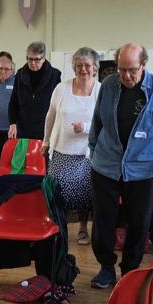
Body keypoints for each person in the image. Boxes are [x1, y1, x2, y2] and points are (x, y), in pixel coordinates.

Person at [88, 44, 153, 289]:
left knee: (139, 222)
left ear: (143, 65)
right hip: (106, 164)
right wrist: (94, 151)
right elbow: (97, 121)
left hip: (143, 166)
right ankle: (106, 267)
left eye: (132, 70)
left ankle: (130, 270)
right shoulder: (108, 85)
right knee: (103, 220)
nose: (126, 76)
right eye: (121, 70)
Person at [43, 48, 102, 245]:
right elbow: (50, 116)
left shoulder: (101, 90)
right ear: (73, 67)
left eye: (87, 65)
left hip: (87, 154)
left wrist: (84, 127)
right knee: (57, 192)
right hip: (61, 150)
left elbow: (106, 124)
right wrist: (45, 141)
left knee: (85, 193)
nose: (83, 69)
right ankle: (60, 228)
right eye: (79, 65)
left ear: (94, 67)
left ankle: (83, 229)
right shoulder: (61, 88)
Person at [8, 42, 62, 140]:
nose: (33, 63)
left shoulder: (55, 75)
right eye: (30, 59)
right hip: (23, 129)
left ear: (43, 58)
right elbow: (13, 101)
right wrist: (12, 123)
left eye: (37, 59)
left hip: (45, 129)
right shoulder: (20, 74)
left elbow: (59, 105)